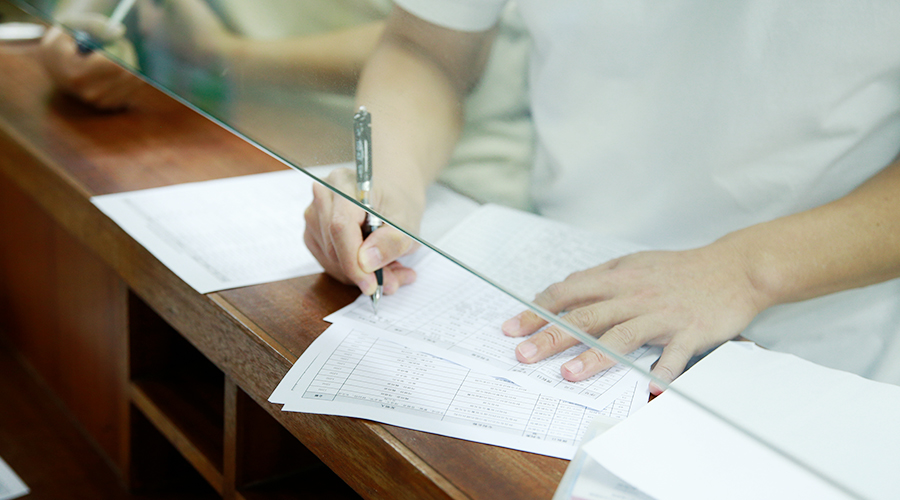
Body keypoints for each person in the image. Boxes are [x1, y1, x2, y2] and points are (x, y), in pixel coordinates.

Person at [304, 1, 900, 394]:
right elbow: (426, 47)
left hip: (810, 337)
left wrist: (743, 272)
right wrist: (391, 179)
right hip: (561, 286)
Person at [37, 0, 534, 210]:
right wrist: (75, 28)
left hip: (442, 176)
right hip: (241, 147)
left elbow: (432, 48)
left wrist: (223, 55)